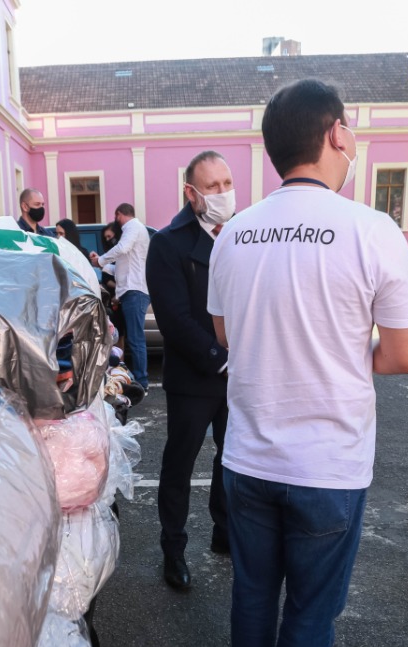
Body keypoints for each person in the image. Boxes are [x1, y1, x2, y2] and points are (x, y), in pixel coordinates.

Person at [207, 79, 408, 647]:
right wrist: (336, 345)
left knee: (252, 589)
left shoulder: (234, 232)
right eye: (351, 129)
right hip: (327, 465)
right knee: (308, 608)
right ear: (334, 135)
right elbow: (404, 355)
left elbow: (224, 330)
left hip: (247, 453)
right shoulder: (372, 230)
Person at [145, 150, 236, 591]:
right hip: (196, 376)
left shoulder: (242, 234)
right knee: (180, 464)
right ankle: (173, 548)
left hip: (237, 374)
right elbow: (174, 319)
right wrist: (220, 360)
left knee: (232, 458)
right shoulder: (168, 243)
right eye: (213, 187)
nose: (223, 194)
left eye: (227, 183)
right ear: (191, 193)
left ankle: (224, 531)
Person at [90, 203, 151, 389]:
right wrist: (101, 264)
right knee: (134, 338)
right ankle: (140, 379)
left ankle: (142, 381)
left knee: (135, 339)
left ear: (119, 214)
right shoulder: (135, 229)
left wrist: (101, 259)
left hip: (134, 290)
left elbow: (122, 248)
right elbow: (121, 267)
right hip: (132, 290)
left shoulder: (132, 227)